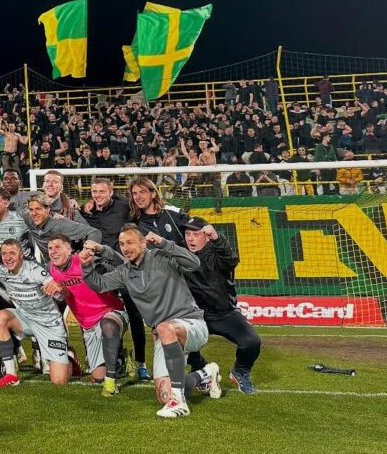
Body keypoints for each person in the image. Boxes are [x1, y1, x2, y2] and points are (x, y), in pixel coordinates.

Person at [81, 226, 222, 418]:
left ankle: (179, 402)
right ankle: (205, 374)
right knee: (164, 396)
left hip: (191, 323)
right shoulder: (124, 272)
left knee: (164, 327)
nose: (125, 248)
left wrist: (164, 243)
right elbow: (99, 285)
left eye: (130, 242)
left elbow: (194, 263)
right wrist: (86, 266)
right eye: (122, 244)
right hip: (164, 336)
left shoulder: (162, 257)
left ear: (143, 243)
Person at [181, 217, 262, 395]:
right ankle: (200, 369)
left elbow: (231, 260)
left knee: (252, 342)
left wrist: (217, 239)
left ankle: (240, 372)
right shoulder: (182, 254)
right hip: (196, 315)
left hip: (224, 314)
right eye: (187, 234)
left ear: (207, 236)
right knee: (179, 338)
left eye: (196, 234)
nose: (190, 239)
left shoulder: (218, 252)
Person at [0, 239, 71, 387]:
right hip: (25, 319)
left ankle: (70, 357)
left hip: (49, 324)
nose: (8, 258)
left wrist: (58, 288)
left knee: (59, 380)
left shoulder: (35, 270)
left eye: (12, 253)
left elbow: (63, 294)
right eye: (4, 254)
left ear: (21, 255)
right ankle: (11, 374)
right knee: (1, 316)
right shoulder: (1, 271)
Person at [82, 177, 150, 380]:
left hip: (125, 269)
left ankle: (141, 364)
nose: (98, 195)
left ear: (111, 192)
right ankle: (114, 359)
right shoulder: (87, 213)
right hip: (102, 273)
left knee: (135, 317)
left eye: (102, 191)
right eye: (94, 192)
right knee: (104, 317)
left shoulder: (123, 207)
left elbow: (138, 206)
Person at [46, 234, 128, 394]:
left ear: (69, 249)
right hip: (88, 325)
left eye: (57, 247)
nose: (53, 251)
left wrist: (101, 249)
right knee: (97, 378)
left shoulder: (85, 260)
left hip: (111, 313)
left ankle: (112, 379)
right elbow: (63, 294)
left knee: (108, 325)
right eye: (50, 248)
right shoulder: (50, 270)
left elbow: (121, 264)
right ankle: (120, 359)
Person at [128, 177, 190, 246]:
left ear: (153, 194)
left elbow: (194, 230)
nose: (138, 197)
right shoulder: (134, 220)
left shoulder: (172, 213)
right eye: (135, 193)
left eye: (142, 192)